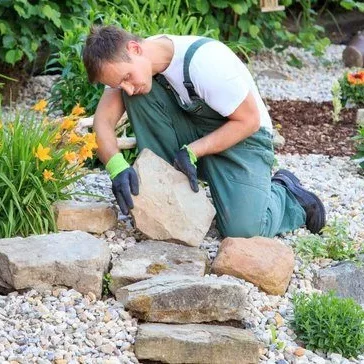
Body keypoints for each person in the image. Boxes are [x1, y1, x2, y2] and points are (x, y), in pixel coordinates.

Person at [82, 25, 326, 238]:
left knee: (243, 230)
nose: (127, 87)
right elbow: (103, 121)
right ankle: (172, 193)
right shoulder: (130, 66)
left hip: (243, 139)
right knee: (137, 94)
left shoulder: (205, 63)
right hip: (194, 135)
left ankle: (286, 195)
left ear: (135, 48)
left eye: (126, 77)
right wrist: (116, 167)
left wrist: (193, 151)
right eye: (118, 83)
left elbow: (249, 121)